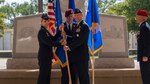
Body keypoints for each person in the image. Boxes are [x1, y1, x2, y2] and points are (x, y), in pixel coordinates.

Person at [64, 8, 90, 84]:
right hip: (76, 56)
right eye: (75, 15)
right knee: (77, 76)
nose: (76, 16)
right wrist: (66, 36)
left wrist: (69, 47)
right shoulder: (76, 26)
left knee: (83, 77)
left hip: (82, 57)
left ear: (82, 15)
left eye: (78, 15)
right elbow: (74, 38)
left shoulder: (84, 26)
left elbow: (80, 41)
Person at [37, 13, 65, 84]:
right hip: (44, 57)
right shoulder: (41, 32)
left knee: (47, 77)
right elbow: (50, 43)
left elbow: (53, 39)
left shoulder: (46, 31)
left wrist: (59, 31)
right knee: (43, 77)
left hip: (47, 57)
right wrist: (60, 44)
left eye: (47, 21)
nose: (46, 23)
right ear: (41, 22)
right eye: (44, 21)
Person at [60, 9, 77, 84]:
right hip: (64, 55)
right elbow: (58, 39)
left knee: (74, 75)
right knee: (65, 75)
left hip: (74, 55)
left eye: (71, 16)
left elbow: (76, 39)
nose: (70, 18)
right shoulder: (61, 27)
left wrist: (66, 36)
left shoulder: (76, 26)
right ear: (65, 17)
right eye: (68, 16)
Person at [135, 10, 150, 84]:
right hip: (144, 56)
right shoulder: (143, 26)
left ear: (142, 17)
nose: (136, 17)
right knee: (145, 76)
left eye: (137, 16)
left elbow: (147, 43)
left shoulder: (144, 27)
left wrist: (145, 55)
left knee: (146, 77)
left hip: (145, 57)